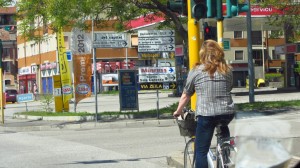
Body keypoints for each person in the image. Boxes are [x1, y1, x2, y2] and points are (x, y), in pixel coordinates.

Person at [173, 39, 235, 168]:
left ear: (202, 54)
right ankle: (226, 154)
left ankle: (223, 153)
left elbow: (186, 94)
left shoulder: (197, 70)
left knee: (201, 151)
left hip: (206, 114)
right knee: (223, 127)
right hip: (227, 112)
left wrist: (178, 111)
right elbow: (229, 88)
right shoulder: (227, 69)